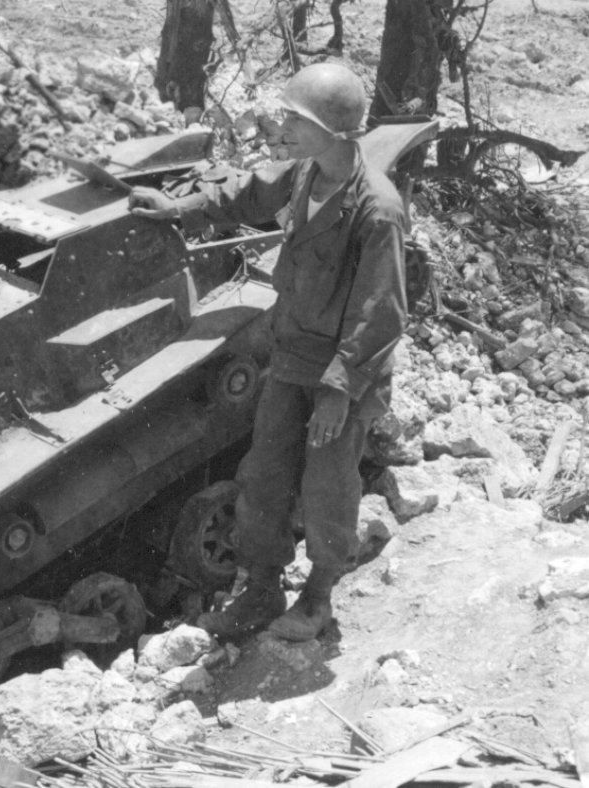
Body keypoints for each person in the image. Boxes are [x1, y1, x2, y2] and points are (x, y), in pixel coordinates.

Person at [129, 63, 408, 641]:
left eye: (296, 119)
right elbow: (250, 191)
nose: (284, 127)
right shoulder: (306, 173)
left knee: (327, 485)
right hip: (291, 356)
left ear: (334, 131)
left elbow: (380, 312)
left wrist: (338, 391)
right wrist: (179, 207)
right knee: (263, 475)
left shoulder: (376, 209)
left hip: (342, 375)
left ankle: (319, 597)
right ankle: (261, 589)